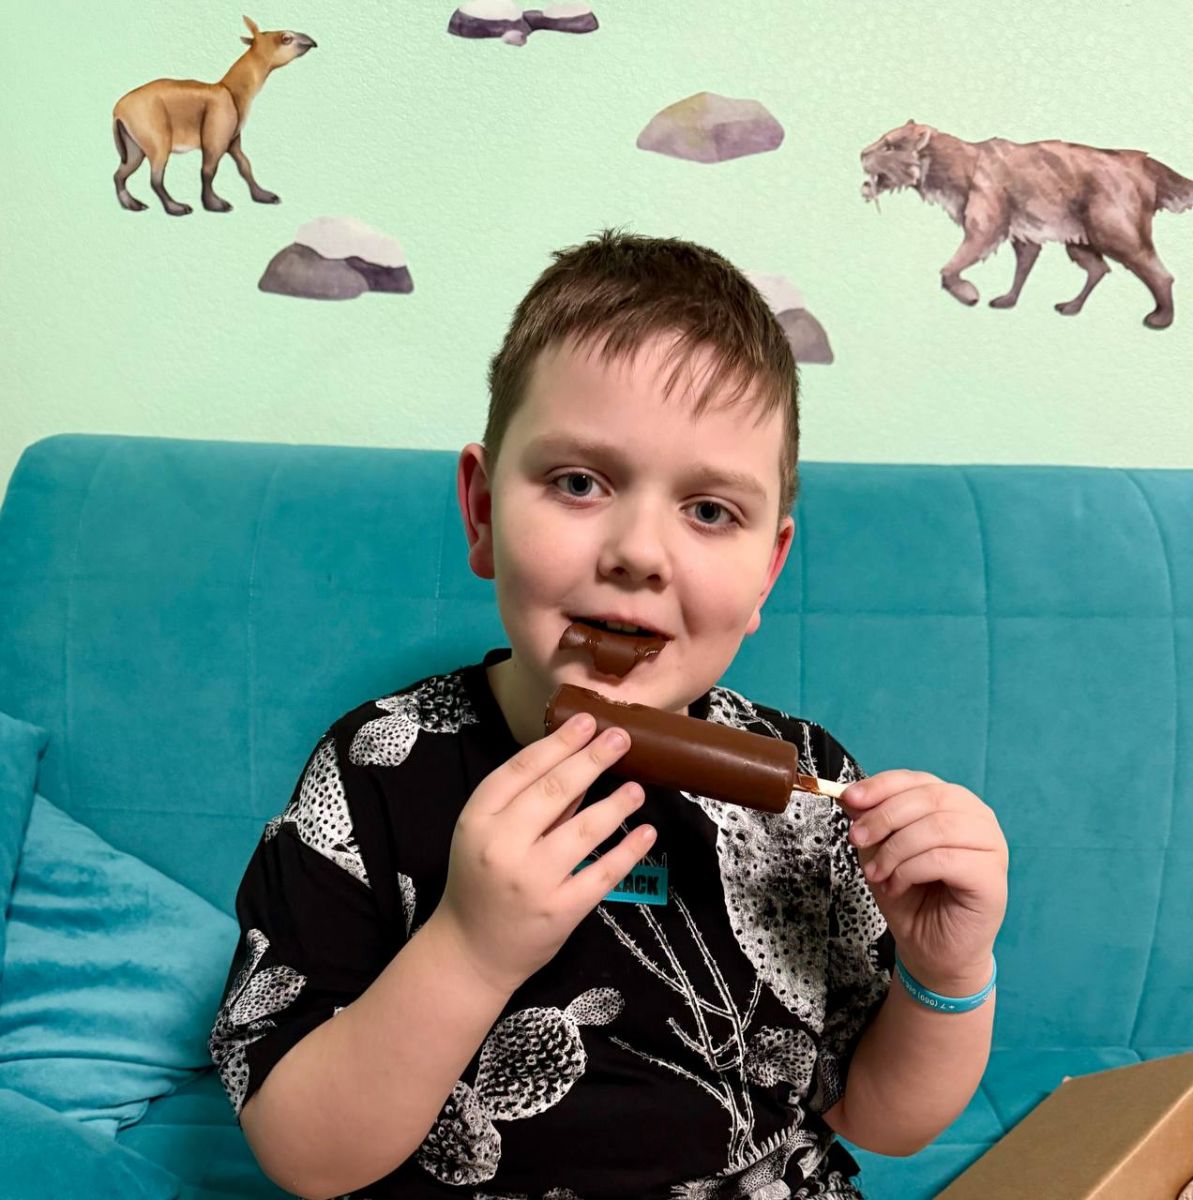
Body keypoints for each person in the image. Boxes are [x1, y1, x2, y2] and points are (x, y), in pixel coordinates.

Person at [208, 229, 1010, 1200]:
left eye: (709, 511)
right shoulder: (377, 769)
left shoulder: (809, 788)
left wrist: (945, 970)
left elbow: (879, 1118)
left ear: (766, 570)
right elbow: (302, 1152)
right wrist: (469, 949)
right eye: (578, 483)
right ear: (481, 513)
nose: (637, 551)